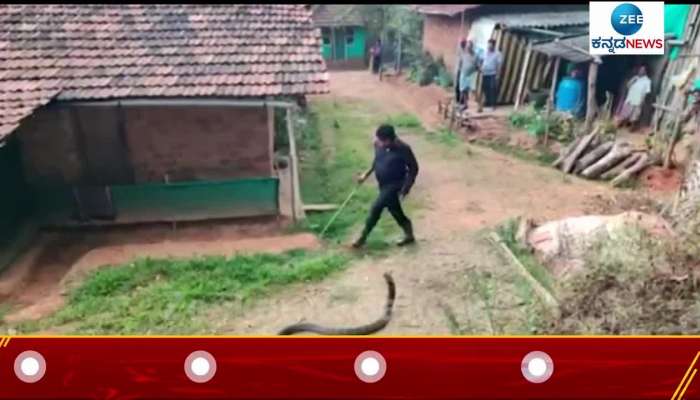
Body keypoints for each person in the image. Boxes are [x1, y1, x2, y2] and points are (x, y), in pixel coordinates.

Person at [352, 124, 419, 249]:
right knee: (395, 210)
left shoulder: (403, 148)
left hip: (395, 184)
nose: (380, 143)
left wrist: (406, 188)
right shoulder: (378, 144)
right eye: (379, 140)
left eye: (383, 141)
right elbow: (376, 161)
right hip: (383, 185)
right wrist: (365, 175)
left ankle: (362, 238)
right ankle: (409, 235)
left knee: (376, 208)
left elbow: (414, 168)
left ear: (391, 139)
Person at [615, 65, 652, 131]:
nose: (641, 71)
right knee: (624, 112)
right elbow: (628, 86)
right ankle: (620, 124)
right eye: (640, 70)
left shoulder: (647, 81)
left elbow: (646, 92)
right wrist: (633, 80)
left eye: (643, 70)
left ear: (646, 72)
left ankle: (631, 127)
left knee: (635, 115)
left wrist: (642, 101)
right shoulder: (635, 78)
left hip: (638, 100)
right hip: (630, 98)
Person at [480, 39, 503, 111]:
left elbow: (499, 65)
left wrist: (498, 75)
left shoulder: (498, 54)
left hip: (493, 74)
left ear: (494, 45)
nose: (489, 46)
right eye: (488, 45)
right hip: (485, 73)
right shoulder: (485, 52)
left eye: (491, 45)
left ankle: (493, 105)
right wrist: (481, 68)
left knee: (492, 89)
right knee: (485, 88)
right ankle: (487, 102)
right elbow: (481, 60)